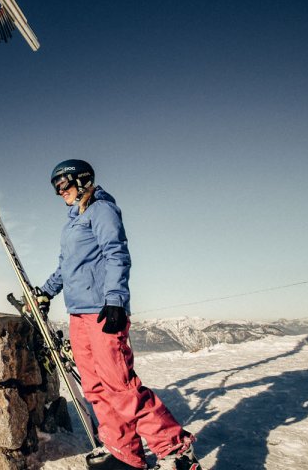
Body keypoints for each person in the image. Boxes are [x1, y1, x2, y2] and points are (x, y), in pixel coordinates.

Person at [35, 159, 201, 470]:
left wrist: (115, 299)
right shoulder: (72, 222)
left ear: (82, 181)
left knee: (120, 386)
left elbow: (116, 252)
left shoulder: (102, 210)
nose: (60, 192)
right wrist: (45, 291)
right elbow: (66, 267)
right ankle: (123, 451)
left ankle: (176, 451)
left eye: (64, 184)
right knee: (94, 387)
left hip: (103, 311)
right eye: (56, 187)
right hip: (79, 313)